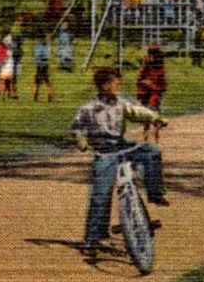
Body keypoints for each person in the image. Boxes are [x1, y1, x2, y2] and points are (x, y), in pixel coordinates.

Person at [72, 67, 169, 260]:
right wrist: (80, 140)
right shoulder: (88, 108)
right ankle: (93, 239)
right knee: (101, 194)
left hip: (122, 145)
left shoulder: (120, 104)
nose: (119, 86)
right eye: (116, 83)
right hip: (104, 152)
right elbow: (76, 128)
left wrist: (156, 118)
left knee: (152, 151)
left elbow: (138, 112)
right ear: (105, 85)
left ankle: (155, 193)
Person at [135, 45, 167, 141]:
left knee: (153, 117)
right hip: (144, 95)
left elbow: (163, 87)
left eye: (152, 55)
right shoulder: (146, 68)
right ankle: (145, 140)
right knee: (145, 120)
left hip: (154, 97)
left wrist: (152, 86)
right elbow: (138, 80)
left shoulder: (160, 70)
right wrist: (144, 82)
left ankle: (156, 140)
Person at [32, 35, 55, 103]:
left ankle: (50, 96)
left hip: (44, 65)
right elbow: (38, 55)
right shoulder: (39, 45)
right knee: (38, 81)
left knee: (46, 81)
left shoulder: (46, 45)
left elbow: (47, 55)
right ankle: (35, 95)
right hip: (40, 65)